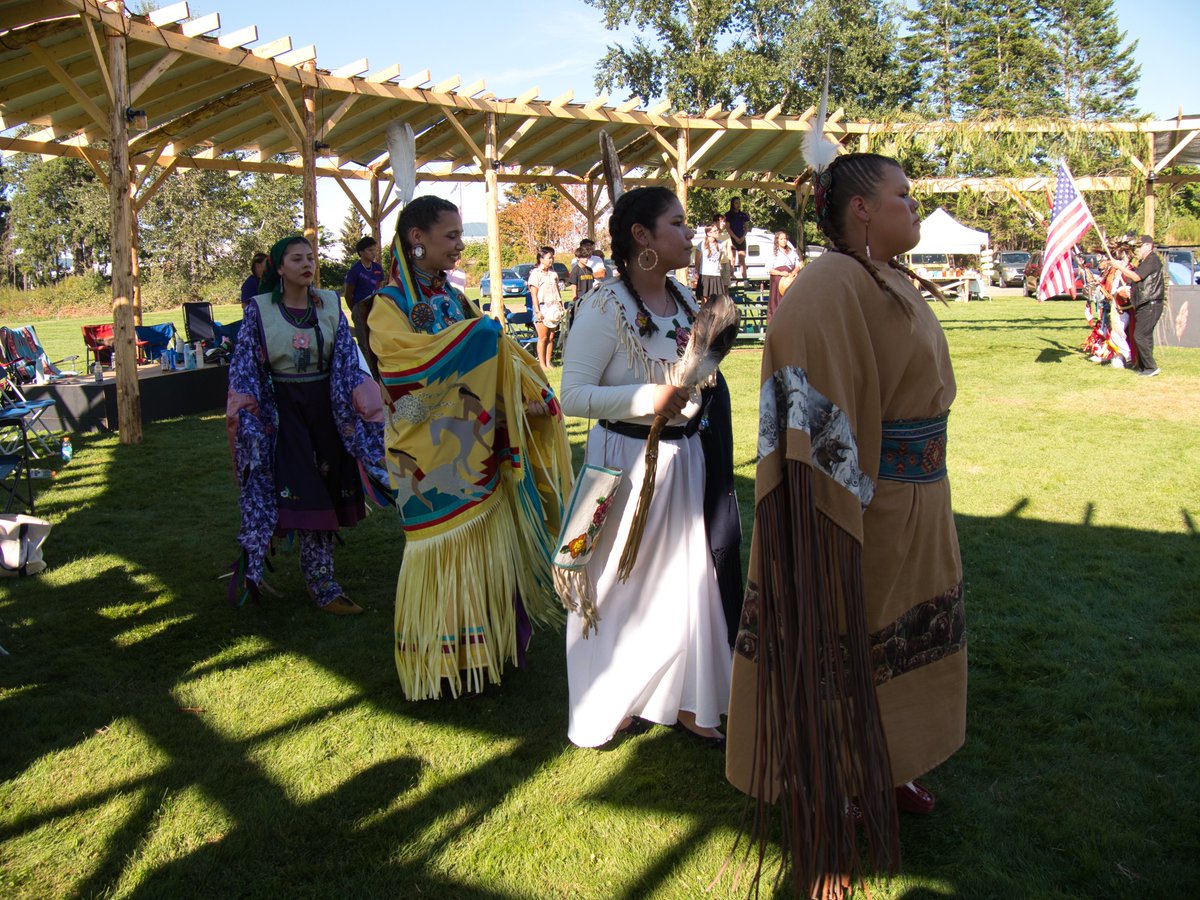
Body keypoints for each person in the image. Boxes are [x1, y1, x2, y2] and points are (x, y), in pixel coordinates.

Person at [725, 154, 968, 897]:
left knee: (902, 643)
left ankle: (887, 768)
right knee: (842, 652)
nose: (912, 204)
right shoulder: (828, 286)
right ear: (860, 210)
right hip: (861, 512)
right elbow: (808, 410)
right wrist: (831, 521)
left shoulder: (886, 278)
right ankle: (825, 820)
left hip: (919, 502)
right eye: (901, 195)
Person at [364, 196, 572, 700]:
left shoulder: (454, 300)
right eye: (451, 236)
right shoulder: (388, 304)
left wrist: (528, 399)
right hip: (426, 449)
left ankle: (488, 652)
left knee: (487, 546)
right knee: (444, 551)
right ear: (417, 238)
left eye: (460, 234)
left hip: (473, 444)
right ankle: (444, 662)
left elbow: (495, 359)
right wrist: (478, 337)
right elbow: (400, 369)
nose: (460, 245)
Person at [559, 186, 734, 749]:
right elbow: (574, 396)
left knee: (685, 583)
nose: (688, 234)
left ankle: (687, 699)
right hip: (623, 465)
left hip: (683, 461)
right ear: (642, 237)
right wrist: (647, 399)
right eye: (677, 224)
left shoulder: (683, 301)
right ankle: (605, 702)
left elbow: (695, 373)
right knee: (611, 584)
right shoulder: (604, 306)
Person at [227, 236, 386, 615]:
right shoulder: (259, 311)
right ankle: (323, 583)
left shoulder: (329, 305)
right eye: (296, 258)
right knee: (303, 491)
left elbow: (348, 359)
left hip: (326, 411)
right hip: (283, 417)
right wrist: (252, 423)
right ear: (279, 268)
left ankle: (322, 577)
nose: (307, 264)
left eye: (311, 257)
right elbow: (245, 369)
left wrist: (366, 406)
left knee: (327, 489)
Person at [1103, 235, 1163, 376]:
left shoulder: (1152, 259)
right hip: (1144, 303)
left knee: (1140, 335)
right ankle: (1144, 366)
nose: (1138, 250)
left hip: (1151, 303)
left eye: (1140, 246)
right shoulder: (1144, 262)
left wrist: (1120, 267)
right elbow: (1137, 281)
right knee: (1145, 336)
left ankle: (1151, 367)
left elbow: (1137, 277)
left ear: (1148, 246)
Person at [527, 246, 566, 370]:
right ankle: (542, 364)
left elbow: (557, 291)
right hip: (542, 307)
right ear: (541, 259)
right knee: (542, 337)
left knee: (551, 337)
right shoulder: (535, 274)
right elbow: (534, 294)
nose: (551, 260)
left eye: (552, 257)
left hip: (554, 307)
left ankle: (549, 362)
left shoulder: (553, 274)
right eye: (549, 257)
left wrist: (561, 306)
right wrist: (537, 311)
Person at [766, 230, 801, 321]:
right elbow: (769, 269)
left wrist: (794, 272)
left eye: (785, 239)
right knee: (778, 300)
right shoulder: (773, 252)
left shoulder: (791, 251)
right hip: (778, 279)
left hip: (791, 276)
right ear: (777, 240)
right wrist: (781, 273)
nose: (784, 241)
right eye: (781, 239)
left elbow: (798, 264)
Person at [343, 236, 384, 308]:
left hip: (376, 307)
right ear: (361, 252)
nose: (373, 253)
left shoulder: (378, 268)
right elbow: (348, 295)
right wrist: (354, 311)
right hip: (361, 308)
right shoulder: (354, 271)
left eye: (374, 250)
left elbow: (380, 286)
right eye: (370, 250)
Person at [693, 224, 726, 303]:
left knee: (717, 300)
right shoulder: (701, 244)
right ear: (708, 233)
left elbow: (719, 259)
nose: (717, 232)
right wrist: (697, 273)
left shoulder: (720, 244)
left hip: (716, 275)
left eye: (718, 230)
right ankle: (704, 315)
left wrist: (719, 267)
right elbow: (697, 261)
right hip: (705, 274)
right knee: (705, 299)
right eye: (715, 231)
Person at [725, 197, 751, 280]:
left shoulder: (743, 215)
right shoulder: (728, 215)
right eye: (736, 203)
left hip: (742, 238)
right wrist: (735, 238)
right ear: (732, 204)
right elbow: (728, 228)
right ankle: (731, 276)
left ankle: (745, 278)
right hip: (732, 238)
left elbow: (747, 228)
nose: (738, 205)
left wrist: (742, 237)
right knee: (732, 259)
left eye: (739, 203)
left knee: (742, 259)